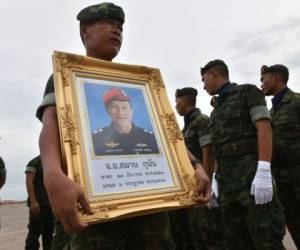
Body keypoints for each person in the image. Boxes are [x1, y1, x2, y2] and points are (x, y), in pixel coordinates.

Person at [36, 3, 211, 249]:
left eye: (120, 27)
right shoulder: (66, 76)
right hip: (98, 216)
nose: (116, 30)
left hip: (151, 212)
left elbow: (166, 136)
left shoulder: (139, 83)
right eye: (108, 24)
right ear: (85, 32)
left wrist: (195, 165)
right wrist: (52, 175)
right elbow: (50, 126)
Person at [200, 59, 285, 250]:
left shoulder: (247, 92)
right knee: (236, 240)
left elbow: (264, 128)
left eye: (204, 79)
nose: (203, 85)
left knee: (266, 237)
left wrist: (263, 169)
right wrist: (214, 179)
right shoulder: (214, 114)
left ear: (214, 74)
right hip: (227, 184)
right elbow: (218, 151)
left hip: (251, 178)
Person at [169, 87, 225, 250]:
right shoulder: (185, 128)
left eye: (177, 101)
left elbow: (209, 152)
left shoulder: (201, 121)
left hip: (205, 186)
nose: (176, 105)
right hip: (194, 188)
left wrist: (211, 182)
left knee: (212, 234)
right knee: (197, 235)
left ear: (185, 101)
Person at [260, 64, 300, 248]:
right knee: (294, 223)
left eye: (264, 79)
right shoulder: (270, 113)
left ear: (276, 78)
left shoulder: (296, 102)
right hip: (282, 181)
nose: (261, 83)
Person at [92, 87, 159, 155]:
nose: (120, 112)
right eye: (114, 107)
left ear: (131, 111)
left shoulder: (151, 138)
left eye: (124, 107)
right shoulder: (95, 139)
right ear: (108, 111)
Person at [25, 155, 54, 250]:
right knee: (34, 233)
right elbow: (29, 181)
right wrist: (33, 202)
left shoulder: (51, 162)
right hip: (38, 205)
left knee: (49, 233)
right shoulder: (34, 162)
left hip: (50, 205)